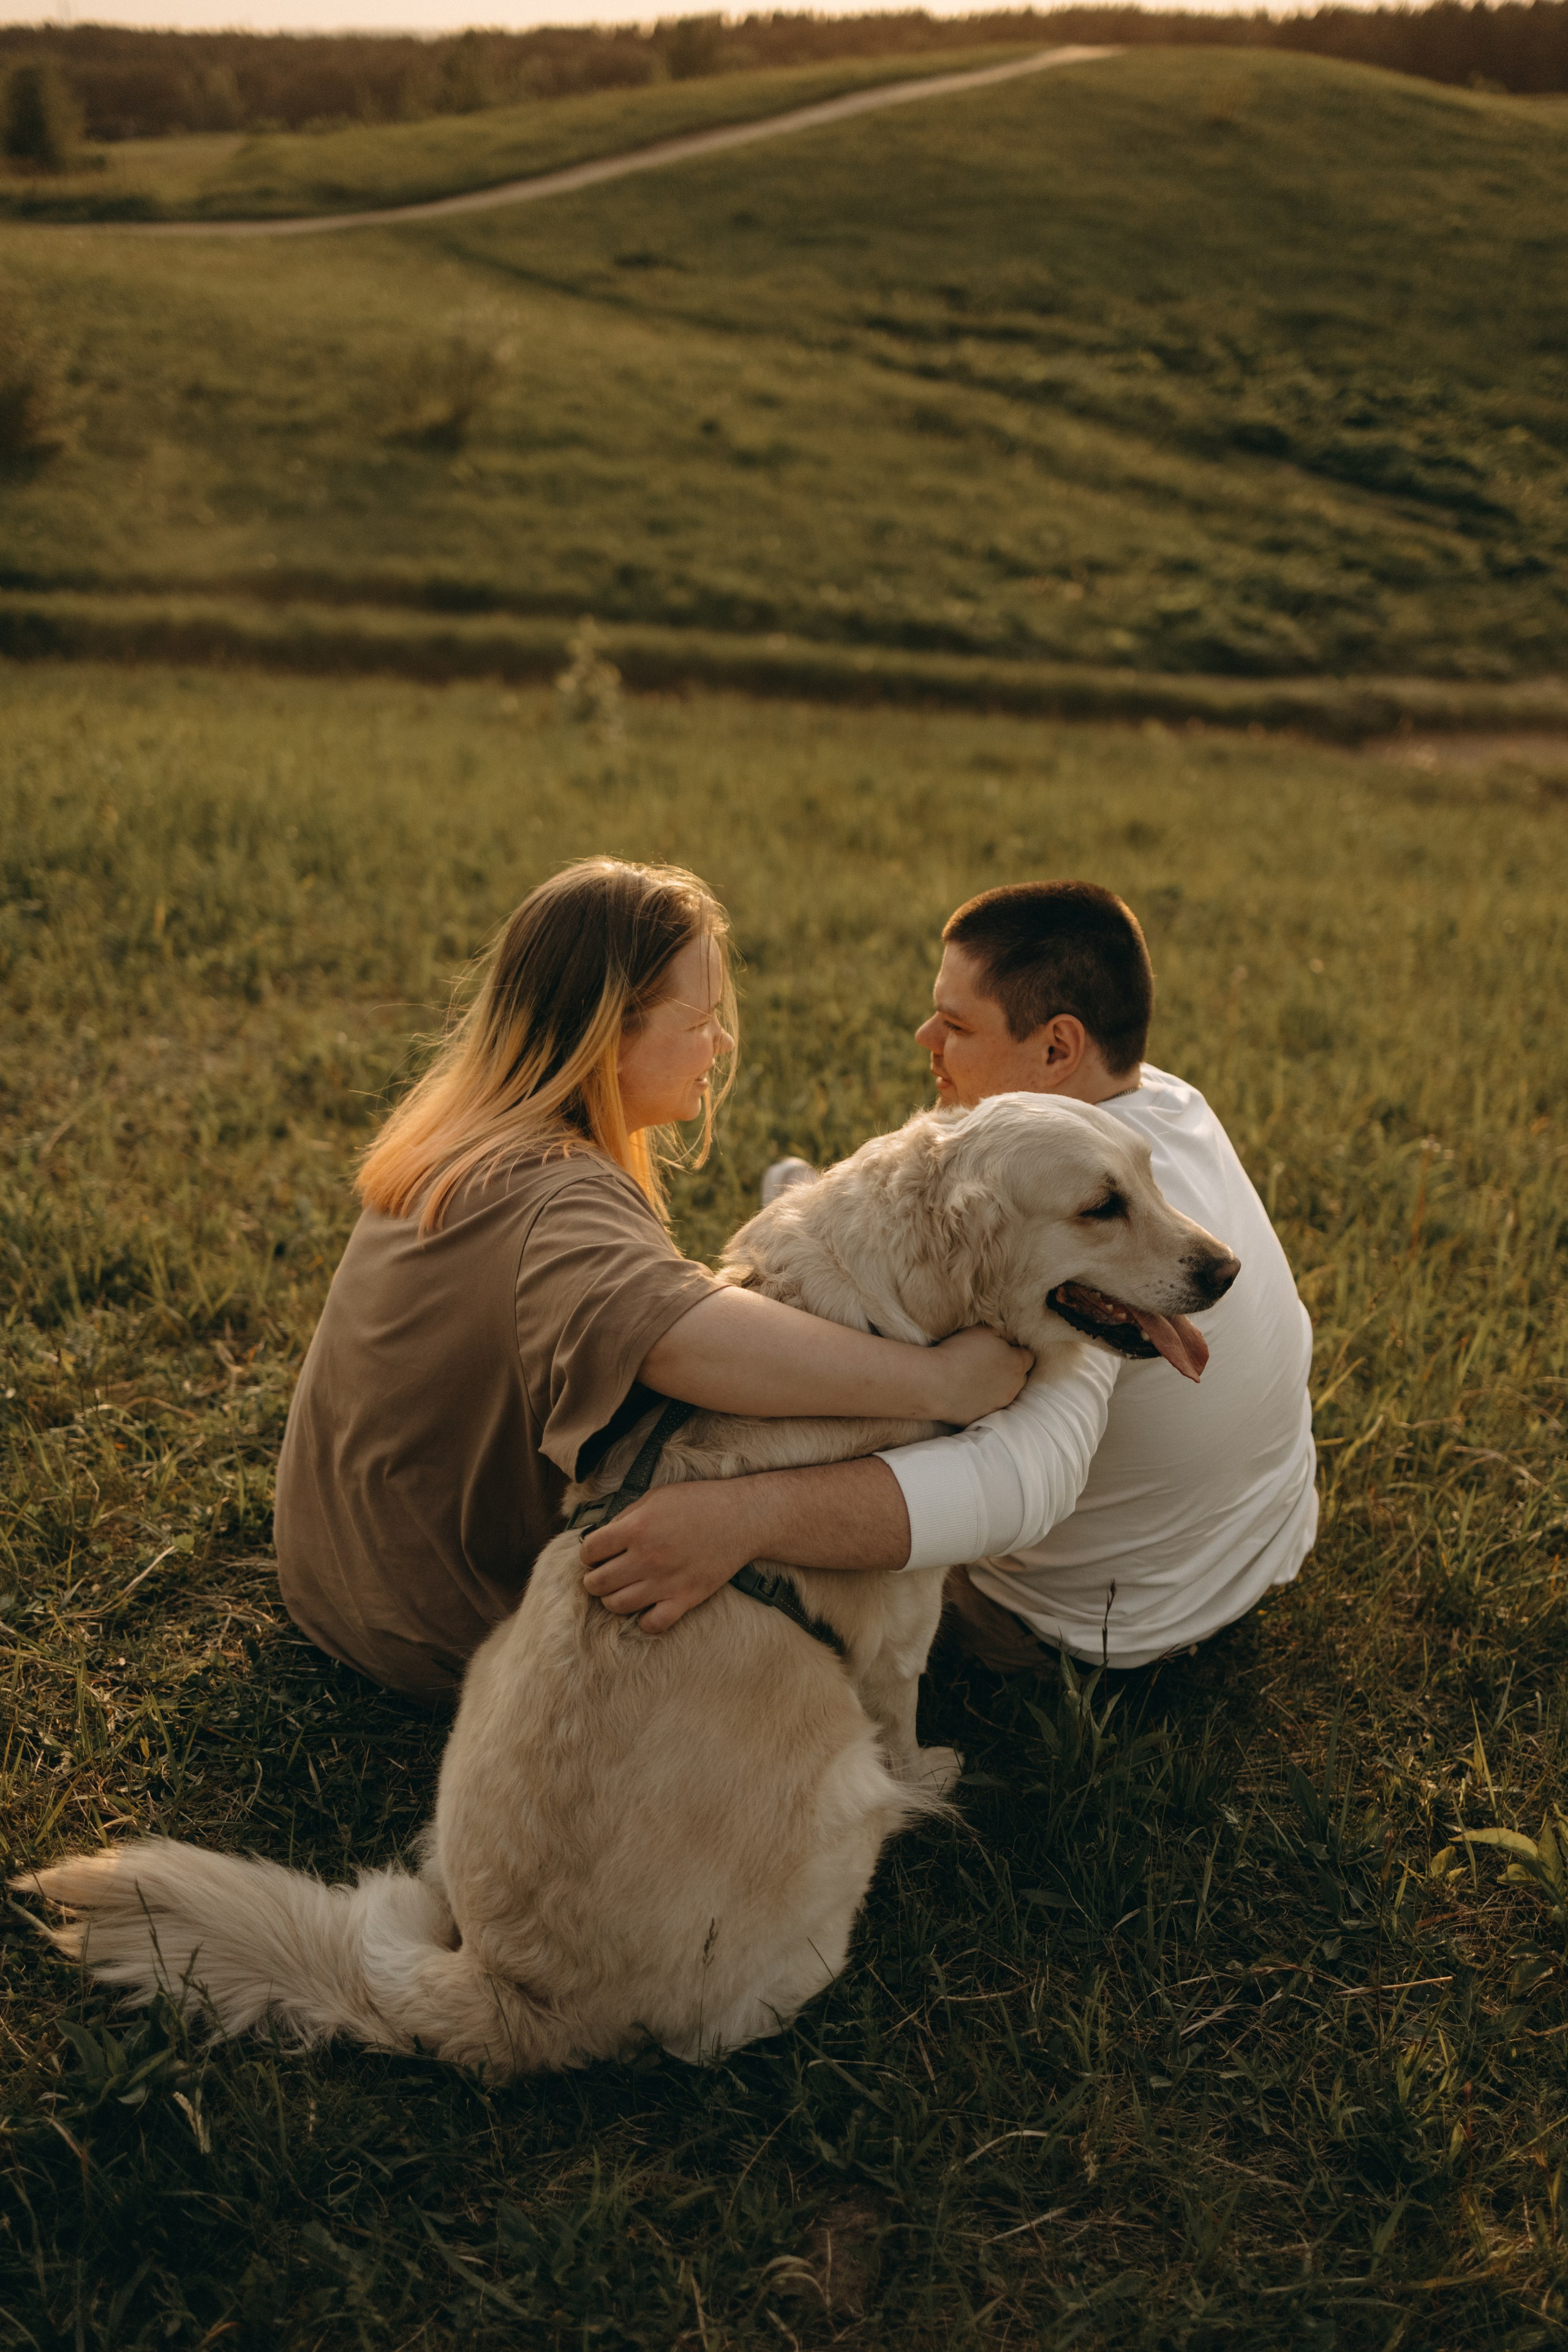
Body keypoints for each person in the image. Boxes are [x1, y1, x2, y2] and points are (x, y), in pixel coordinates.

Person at [273, 857, 1030, 1702]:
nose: (723, 1043)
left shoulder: (473, 1139)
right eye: (701, 1018)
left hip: (340, 1579)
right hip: (442, 1629)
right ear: (608, 1027)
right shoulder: (554, 1196)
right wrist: (940, 1381)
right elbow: (684, 1342)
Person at [581, 880, 1318, 1674]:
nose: (925, 1035)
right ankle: (805, 1205)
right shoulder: (1160, 1105)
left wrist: (735, 1519)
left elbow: (1016, 1481)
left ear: (1057, 1050)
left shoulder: (1083, 1254)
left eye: (958, 1025)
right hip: (1259, 1548)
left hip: (1086, 1632)